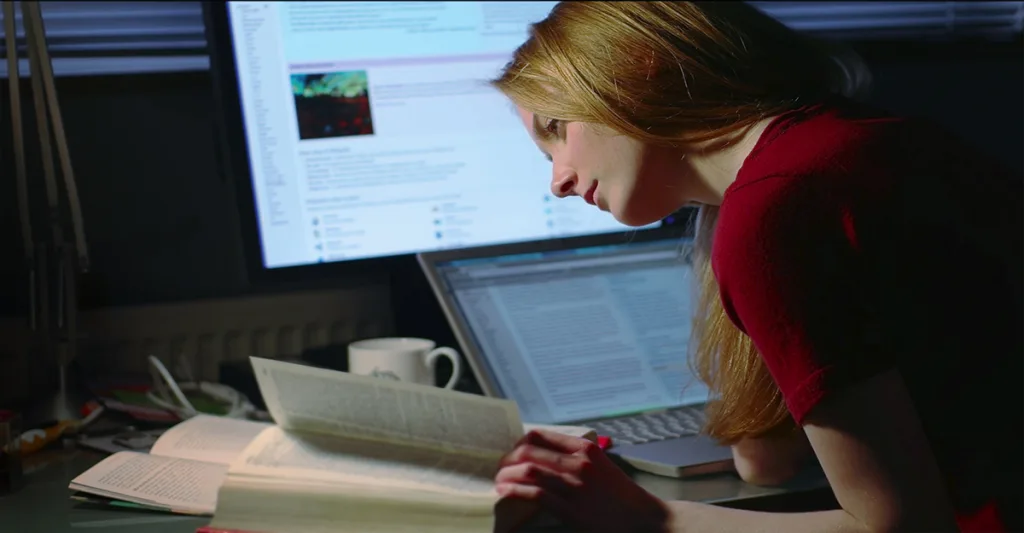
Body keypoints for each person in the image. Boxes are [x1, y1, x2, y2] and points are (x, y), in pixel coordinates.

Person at [488, 2, 1023, 532]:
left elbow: (900, 526)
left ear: (636, 66)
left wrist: (649, 516)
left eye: (556, 128)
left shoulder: (779, 211)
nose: (557, 181)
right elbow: (763, 463)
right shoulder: (854, 140)